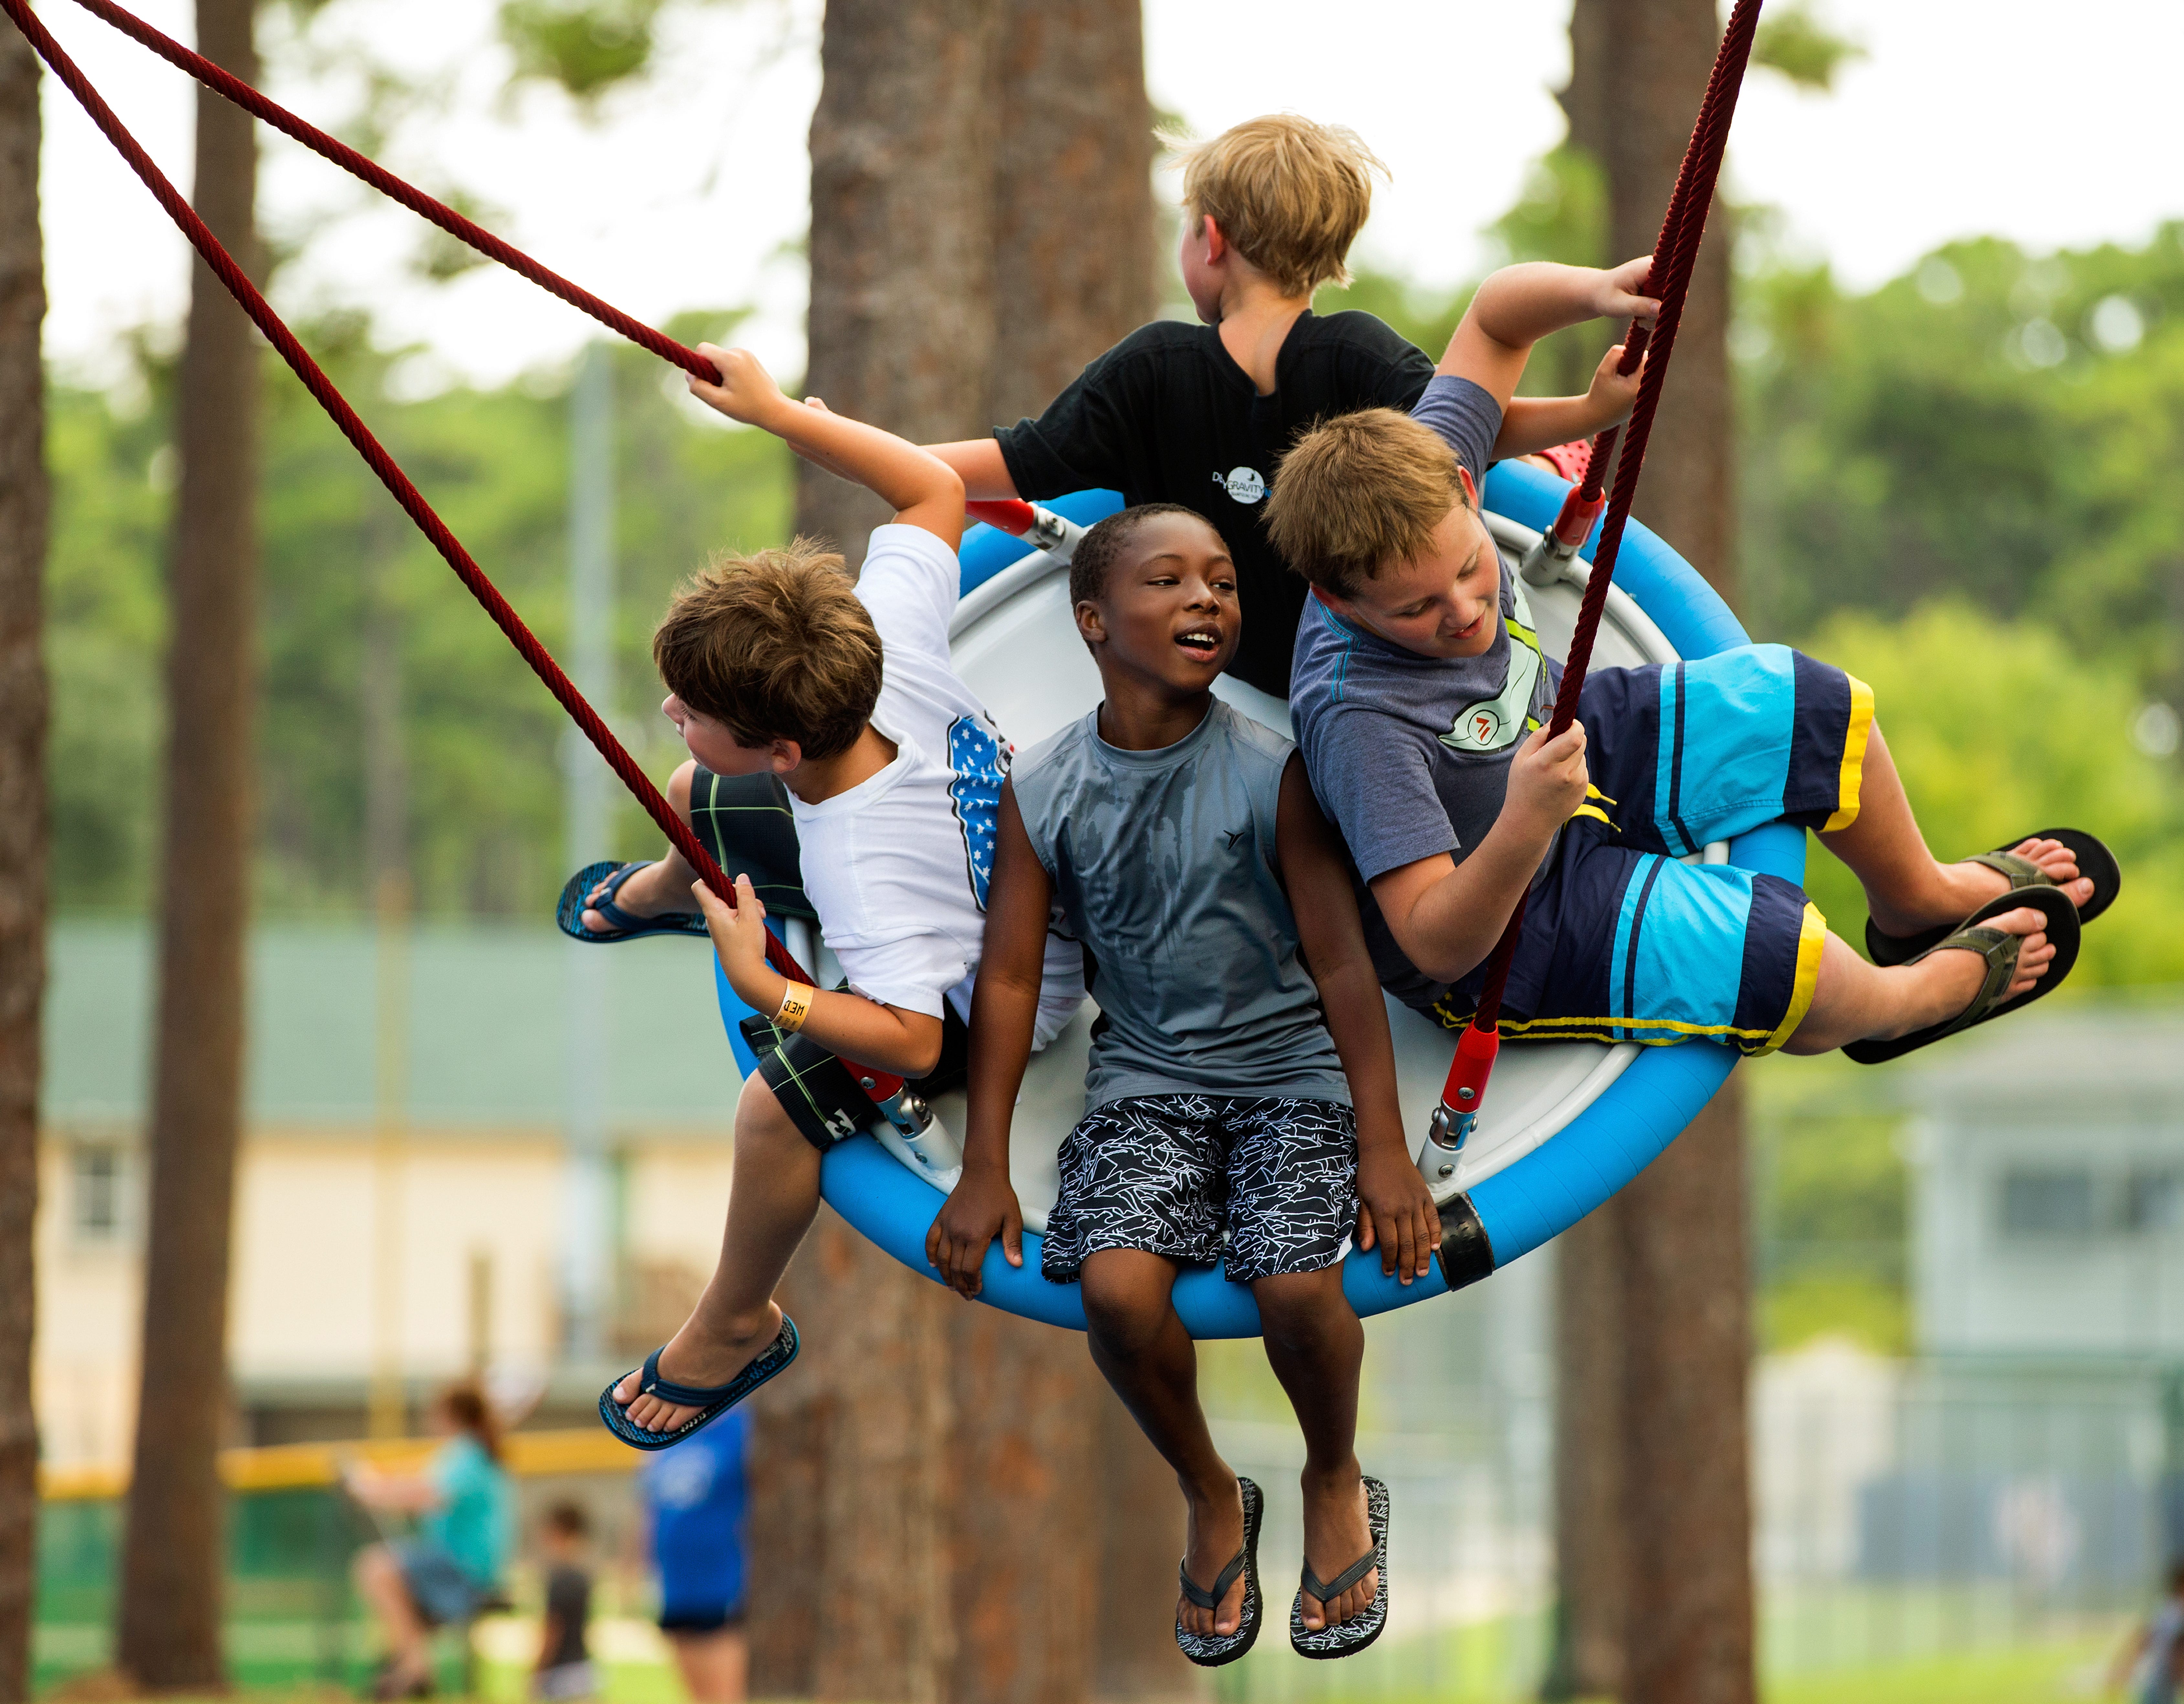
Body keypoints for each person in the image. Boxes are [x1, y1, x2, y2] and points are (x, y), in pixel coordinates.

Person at [1264, 264, 2114, 1067]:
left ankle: (1913, 899)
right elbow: (1430, 941)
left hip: (1564, 737)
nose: (1461, 610)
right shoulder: (1357, 715)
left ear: (1463, 485)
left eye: (1467, 566)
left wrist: (1599, 291)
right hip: (1509, 914)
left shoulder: (1417, 471)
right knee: (1766, 948)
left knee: (1802, 700)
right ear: (1340, 602)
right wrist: (1524, 821)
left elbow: (1493, 316)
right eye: (1415, 609)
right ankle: (1904, 1000)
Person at [926, 505, 1441, 1664]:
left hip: (1291, 1075)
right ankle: (1209, 1487)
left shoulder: (1272, 770)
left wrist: (1384, 1147)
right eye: (1168, 580)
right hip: (1145, 1081)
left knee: (1295, 1286)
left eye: (1222, 581)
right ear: (1092, 620)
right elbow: (1008, 979)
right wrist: (982, 1166)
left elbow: (1342, 963)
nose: (1208, 598)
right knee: (1115, 1293)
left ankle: (1331, 1471)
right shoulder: (1044, 785)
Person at [586, 346, 1084, 1448]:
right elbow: (933, 488)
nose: (670, 709)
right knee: (693, 791)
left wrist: (774, 989)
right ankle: (674, 890)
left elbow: (913, 1039)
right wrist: (776, 414)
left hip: (987, 997)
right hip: (951, 867)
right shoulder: (881, 637)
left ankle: (737, 1320)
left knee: (771, 1113)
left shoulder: (866, 872)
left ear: (783, 746)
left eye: (692, 708)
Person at [923, 113, 1655, 696]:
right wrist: (1587, 413)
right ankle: (1558, 460)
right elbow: (1473, 421)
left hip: (1227, 675)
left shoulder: (1148, 372)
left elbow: (1003, 466)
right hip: (1374, 664)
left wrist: (878, 451)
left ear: (1211, 238)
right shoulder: (1358, 352)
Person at [348, 1380, 515, 1700]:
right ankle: (405, 1666)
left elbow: (427, 1493)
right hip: (462, 1565)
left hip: (466, 1570)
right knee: (398, 1594)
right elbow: (420, 1484)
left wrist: (371, 1490)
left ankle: (416, 1669)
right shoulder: (470, 1453)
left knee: (375, 1568)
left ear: (450, 1414)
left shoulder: (467, 1453)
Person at [641, 1409, 752, 1703]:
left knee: (724, 1695)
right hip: (675, 1583)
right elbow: (649, 1508)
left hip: (720, 1581)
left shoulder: (739, 1429)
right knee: (695, 1695)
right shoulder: (667, 1432)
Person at [532, 1503, 598, 1702]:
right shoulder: (583, 1576)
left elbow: (553, 1628)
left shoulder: (561, 1578)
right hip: (583, 1668)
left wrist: (537, 1670)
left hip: (561, 1674)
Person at [2113, 1560, 2184, 1704]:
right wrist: (2125, 1666)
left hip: (2163, 1683)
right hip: (2159, 1682)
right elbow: (2146, 1638)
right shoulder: (2171, 1612)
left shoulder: (2168, 1611)